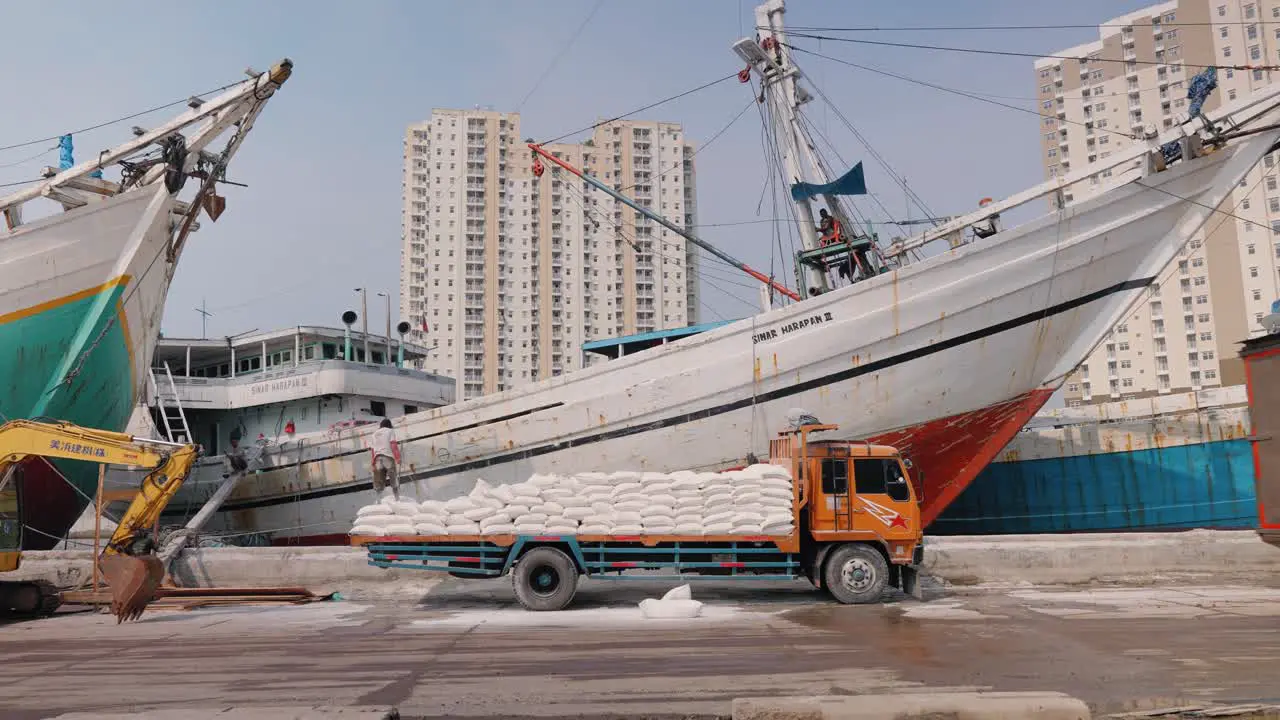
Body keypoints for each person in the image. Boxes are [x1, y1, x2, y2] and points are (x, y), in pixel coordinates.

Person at [368, 417, 401, 500]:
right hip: (388, 457)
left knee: (378, 481)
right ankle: (397, 498)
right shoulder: (390, 431)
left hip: (377, 458)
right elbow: (393, 445)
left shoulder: (374, 434)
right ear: (389, 425)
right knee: (393, 477)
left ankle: (378, 500)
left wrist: (372, 462)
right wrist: (398, 458)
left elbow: (372, 450)